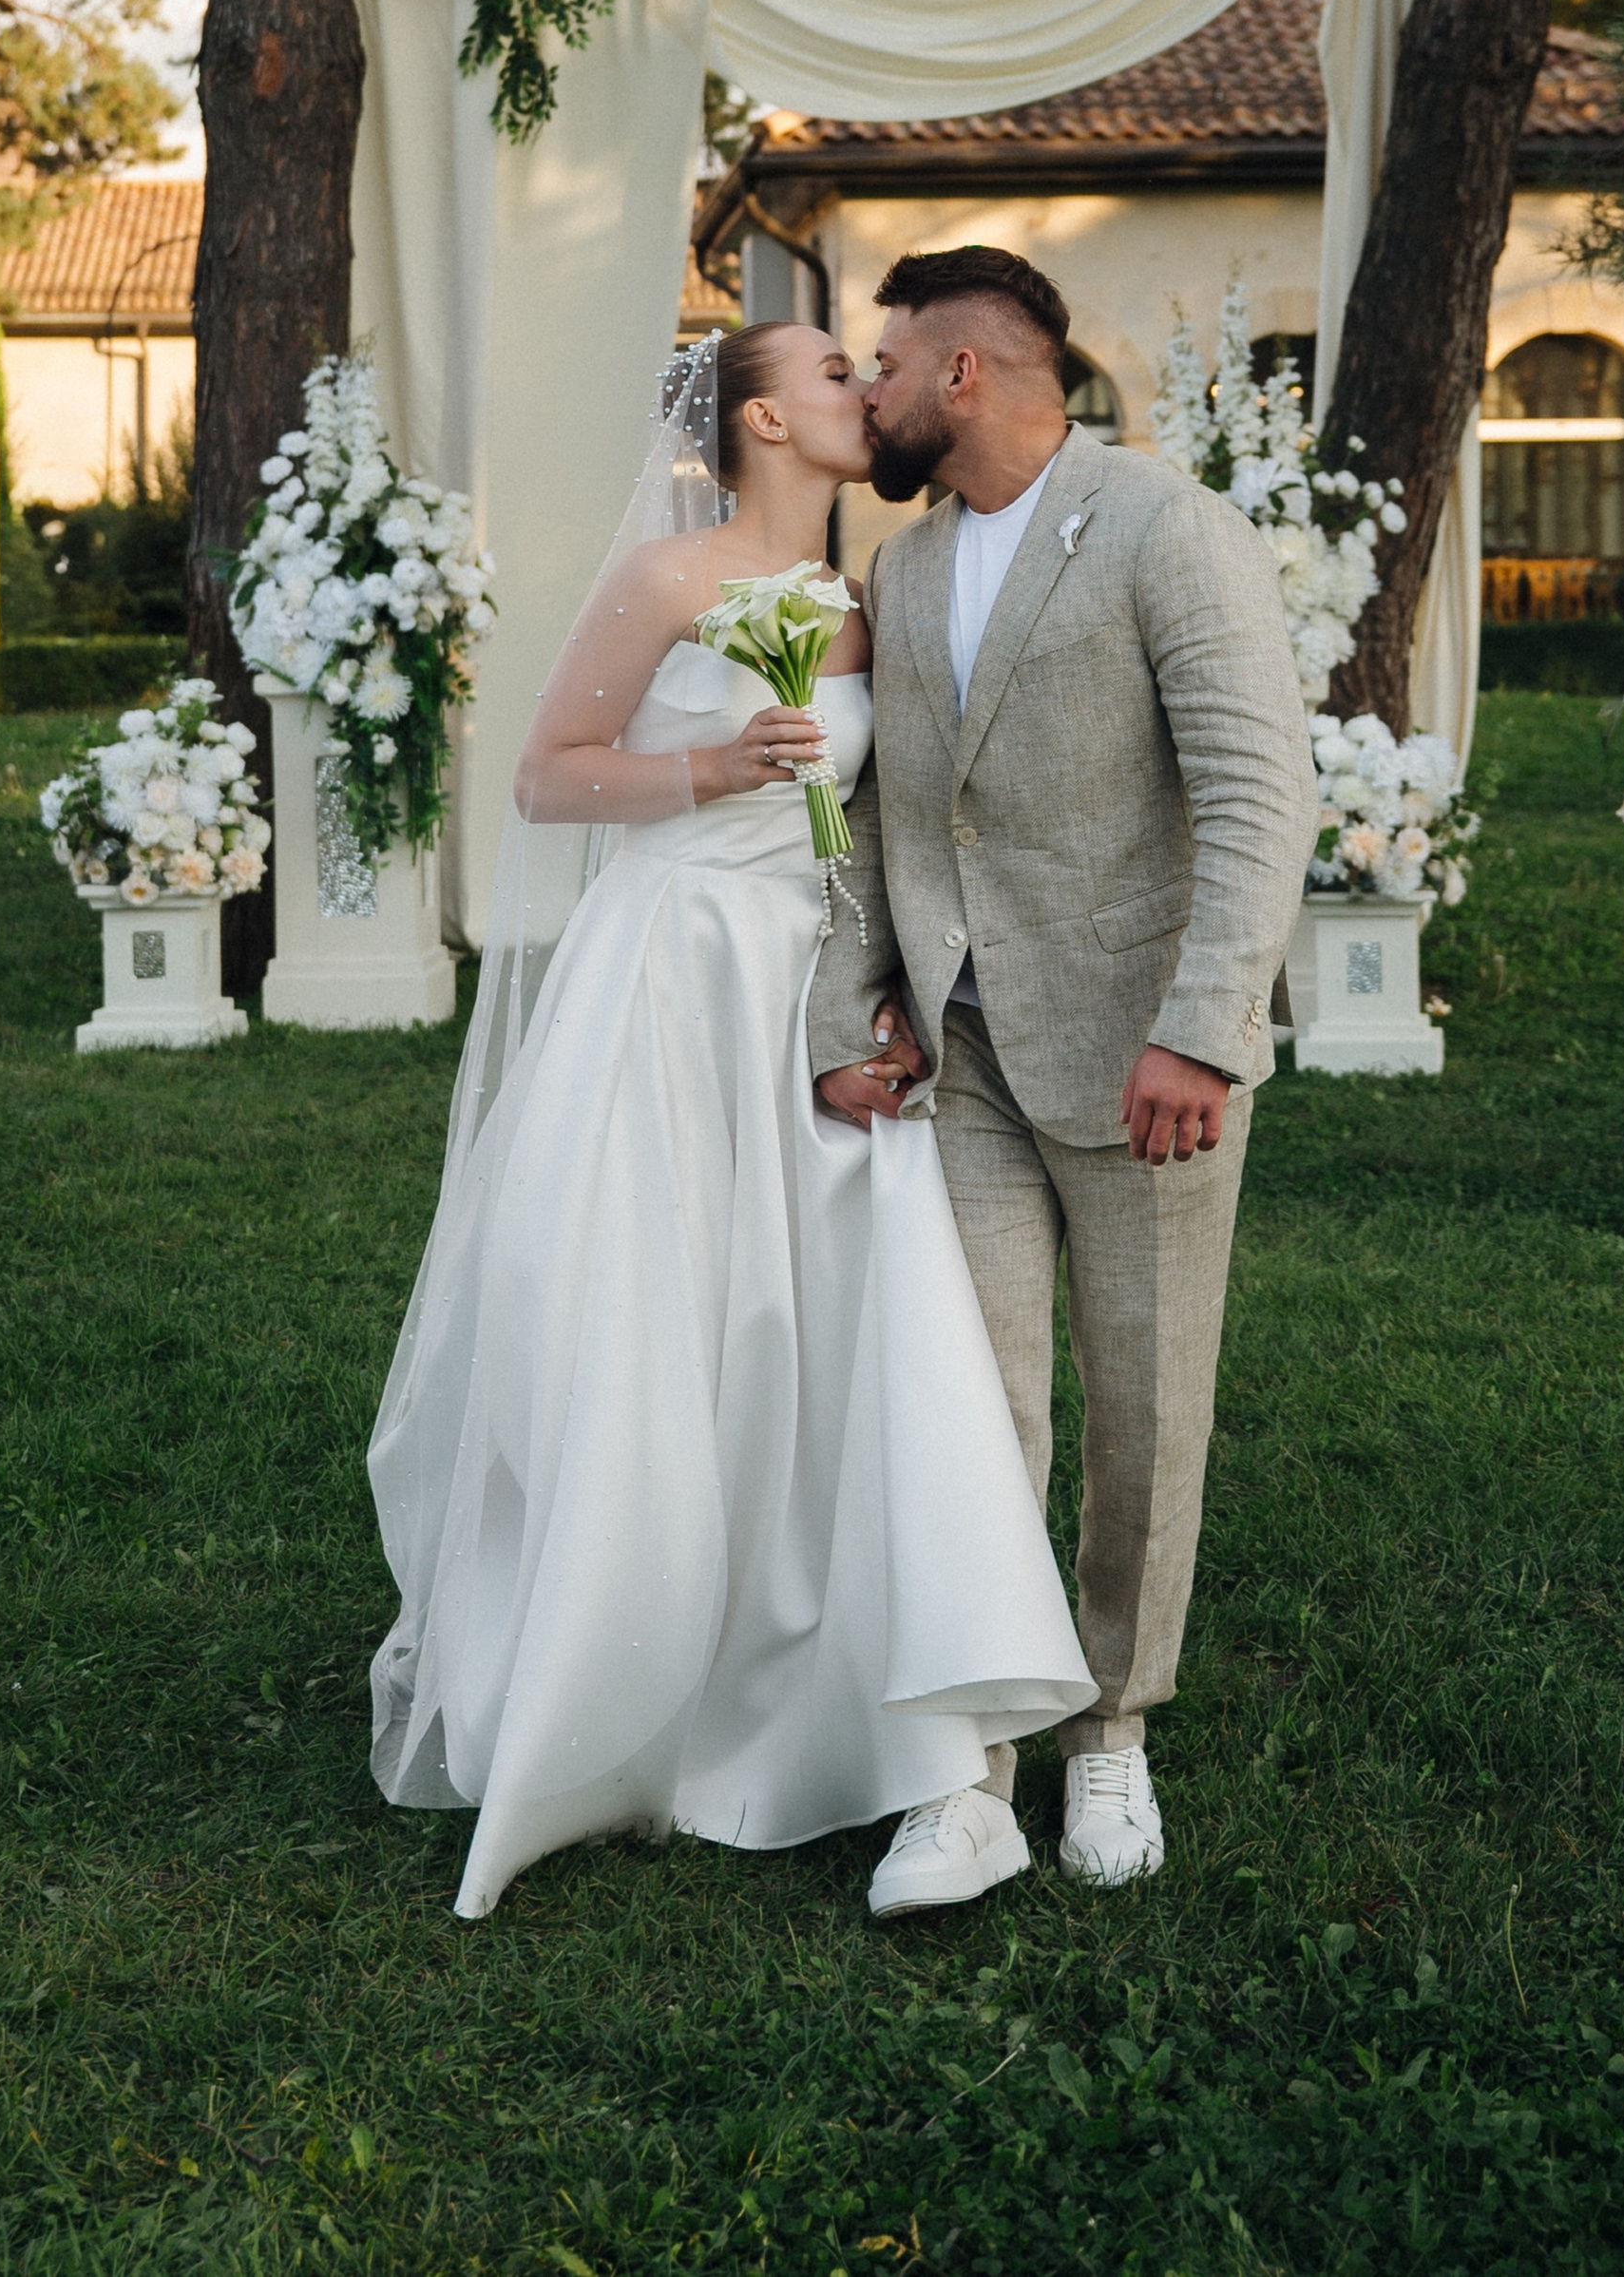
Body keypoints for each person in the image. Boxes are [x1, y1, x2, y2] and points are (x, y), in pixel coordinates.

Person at [366, 323, 1091, 1920]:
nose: (867, 385)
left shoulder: (880, 594)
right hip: (676, 973)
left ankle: (869, 1713)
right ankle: (632, 1682)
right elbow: (546, 779)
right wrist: (708, 766)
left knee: (845, 1325)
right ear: (761, 418)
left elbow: (897, 825)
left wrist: (890, 986)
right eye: (835, 370)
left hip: (818, 991)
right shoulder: (670, 579)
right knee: (661, 1317)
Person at [810, 245, 1316, 1904]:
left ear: (965, 373)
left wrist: (1205, 1027)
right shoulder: (900, 563)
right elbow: (879, 822)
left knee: (1147, 1407)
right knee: (975, 1409)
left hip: (1142, 1052)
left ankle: (1111, 1727)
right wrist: (850, 1011)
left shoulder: (1169, 528)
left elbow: (1258, 794)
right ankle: (968, 1771)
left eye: (888, 363)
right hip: (956, 1059)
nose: (870, 392)